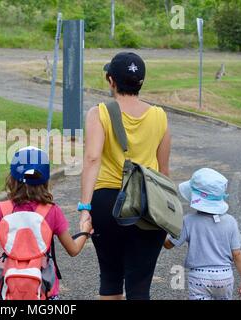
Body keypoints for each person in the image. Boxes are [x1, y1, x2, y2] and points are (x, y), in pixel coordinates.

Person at [78, 52, 171, 300]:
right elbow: (164, 171)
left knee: (110, 278)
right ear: (141, 82)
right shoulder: (160, 116)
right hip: (148, 205)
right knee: (140, 286)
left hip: (108, 202)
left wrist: (85, 207)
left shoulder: (99, 113)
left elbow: (92, 159)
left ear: (111, 80)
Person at [0, 146, 93, 300]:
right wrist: (85, 231)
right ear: (45, 179)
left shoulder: (1, 210)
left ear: (12, 178)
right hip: (43, 290)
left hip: (8, 290)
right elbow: (73, 250)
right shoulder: (51, 211)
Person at [164, 168, 241, 300]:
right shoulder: (231, 221)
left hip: (198, 278)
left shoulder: (188, 220)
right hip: (224, 277)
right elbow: (237, 254)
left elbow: (169, 244)